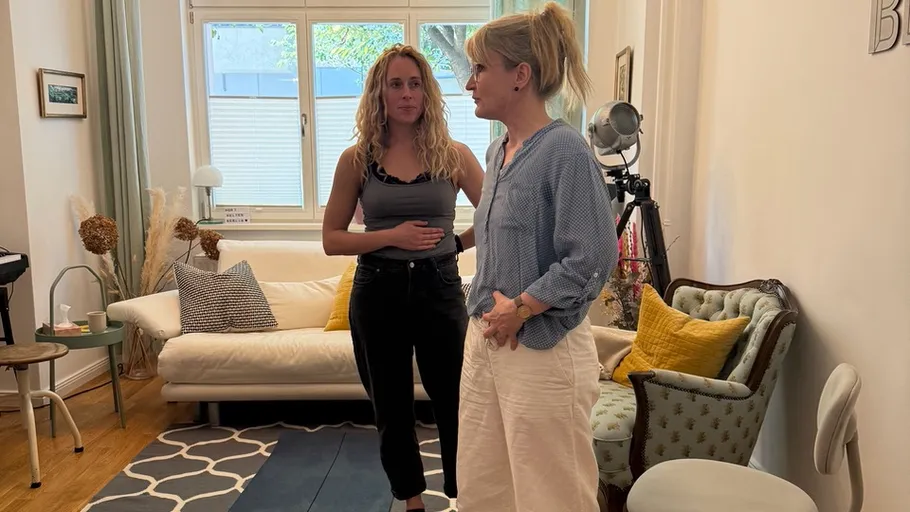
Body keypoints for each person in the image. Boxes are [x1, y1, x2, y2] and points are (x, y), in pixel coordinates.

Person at [456, 2, 620, 511]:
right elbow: (503, 234)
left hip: (541, 351)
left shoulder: (564, 152)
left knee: (552, 495)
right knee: (485, 485)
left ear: (520, 75)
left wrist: (521, 307)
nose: (470, 82)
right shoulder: (496, 152)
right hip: (485, 342)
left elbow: (592, 256)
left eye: (480, 68)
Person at [322, 44, 485, 512]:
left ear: (427, 92)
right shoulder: (357, 159)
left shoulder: (453, 154)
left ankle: (465, 494)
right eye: (396, 84)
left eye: (415, 84)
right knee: (391, 407)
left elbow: (498, 213)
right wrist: (390, 235)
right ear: (380, 92)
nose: (407, 93)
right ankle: (412, 500)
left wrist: (454, 243)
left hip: (440, 288)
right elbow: (333, 239)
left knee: (456, 399)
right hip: (378, 291)